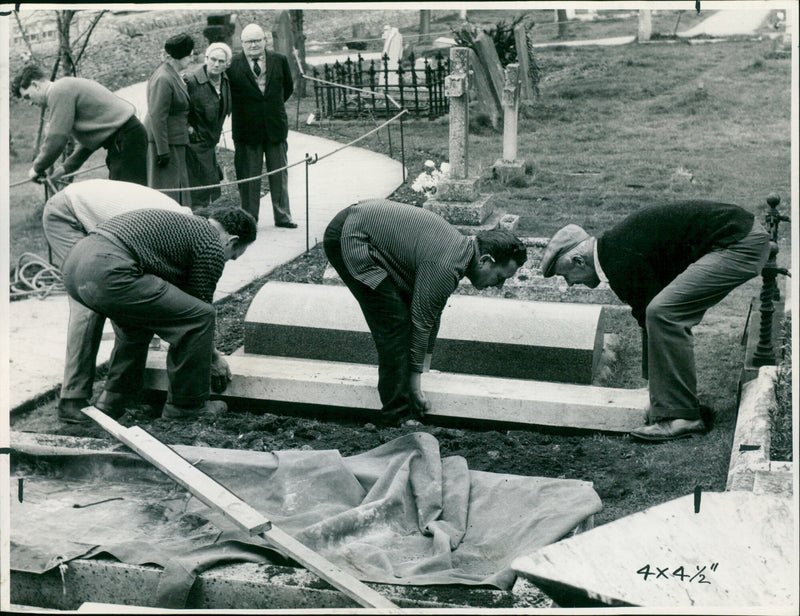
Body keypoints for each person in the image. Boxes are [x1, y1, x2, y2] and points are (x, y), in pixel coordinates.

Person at [540, 200, 770, 442]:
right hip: (739, 235)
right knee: (658, 311)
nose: (569, 283)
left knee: (665, 313)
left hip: (739, 243)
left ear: (579, 260)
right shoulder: (615, 250)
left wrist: (658, 393)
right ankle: (672, 404)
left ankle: (683, 417)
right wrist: (654, 391)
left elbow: (654, 316)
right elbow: (645, 317)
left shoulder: (618, 258)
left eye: (565, 275)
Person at [324, 199, 527, 425]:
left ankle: (400, 401)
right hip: (351, 235)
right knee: (395, 323)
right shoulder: (447, 266)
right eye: (500, 277)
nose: (498, 286)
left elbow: (432, 313)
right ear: (485, 260)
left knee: (403, 315)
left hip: (362, 226)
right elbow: (421, 323)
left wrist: (423, 368)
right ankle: (397, 416)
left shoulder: (459, 253)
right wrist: (416, 388)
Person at [61, 205, 257, 420]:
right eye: (233, 256)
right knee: (200, 318)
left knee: (137, 324)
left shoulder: (189, 227)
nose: (227, 260)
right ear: (233, 241)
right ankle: (186, 408)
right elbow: (198, 306)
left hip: (75, 264)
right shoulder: (212, 244)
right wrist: (213, 357)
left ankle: (114, 400)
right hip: (109, 269)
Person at [42, 179, 194, 423]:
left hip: (106, 230)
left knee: (136, 309)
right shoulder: (175, 233)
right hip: (70, 214)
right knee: (88, 303)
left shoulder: (183, 231)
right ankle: (72, 399)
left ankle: (117, 397)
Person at [11, 64, 147, 186]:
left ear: (36, 85)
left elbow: (57, 138)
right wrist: (65, 168)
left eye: (28, 96)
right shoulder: (63, 88)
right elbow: (91, 142)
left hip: (126, 139)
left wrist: (36, 168)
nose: (30, 103)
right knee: (127, 196)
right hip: (126, 138)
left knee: (128, 198)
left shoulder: (58, 91)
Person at [227, 23, 296, 227]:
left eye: (258, 40)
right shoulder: (233, 65)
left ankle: (283, 216)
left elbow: (288, 88)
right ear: (242, 43)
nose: (254, 45)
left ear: (265, 40)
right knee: (248, 176)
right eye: (249, 41)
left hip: (275, 126)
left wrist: (270, 108)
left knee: (279, 174)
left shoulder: (279, 60)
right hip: (246, 130)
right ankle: (249, 219)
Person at [144, 32, 195, 206]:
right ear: (179, 57)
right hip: (166, 144)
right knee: (167, 192)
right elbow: (157, 116)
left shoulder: (171, 73)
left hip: (175, 142)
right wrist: (162, 150)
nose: (191, 59)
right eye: (189, 55)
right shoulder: (163, 78)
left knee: (178, 188)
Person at [185, 42, 232, 209]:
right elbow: (177, 112)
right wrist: (191, 131)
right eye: (213, 59)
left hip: (210, 145)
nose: (216, 64)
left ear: (227, 63)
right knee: (199, 193)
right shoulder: (191, 81)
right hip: (193, 147)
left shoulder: (225, 81)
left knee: (213, 189)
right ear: (206, 59)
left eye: (221, 61)